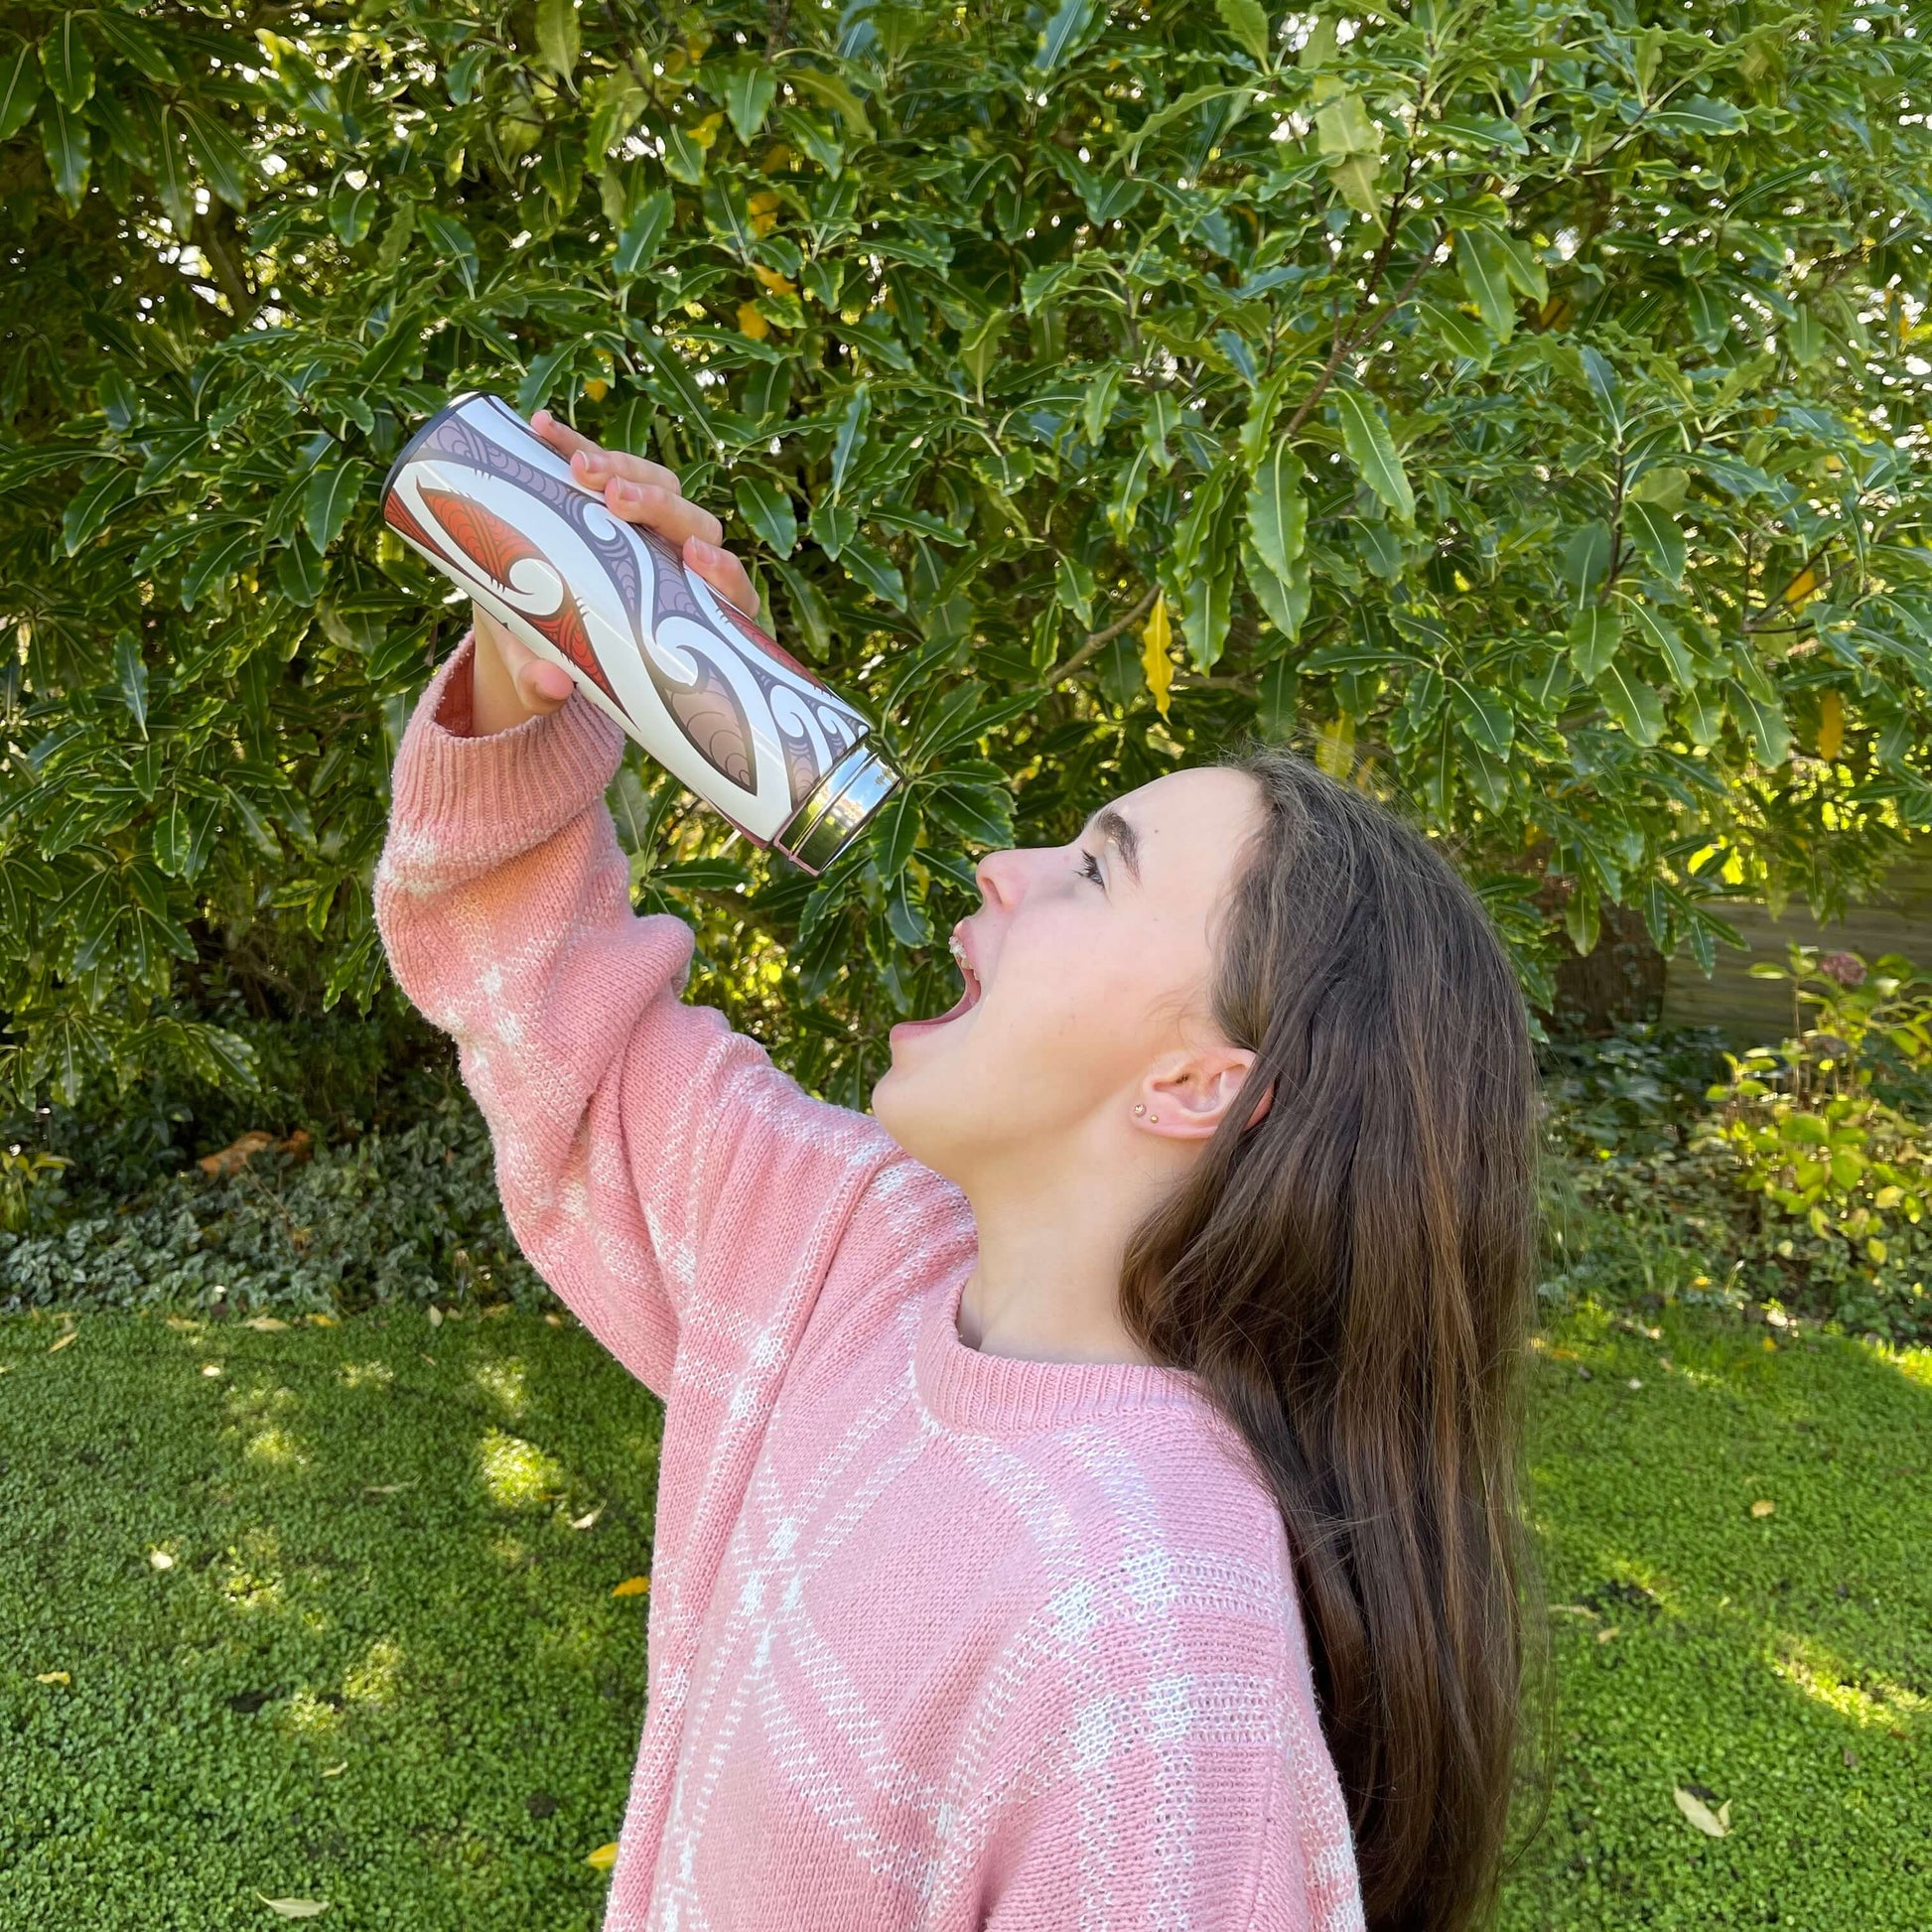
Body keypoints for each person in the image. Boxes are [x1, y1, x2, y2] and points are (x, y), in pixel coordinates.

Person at [373, 411, 1541, 1932]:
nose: (1006, 864)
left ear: (1203, 1078)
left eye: (1098, 863)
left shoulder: (1157, 1653)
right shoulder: (854, 1247)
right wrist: (547, 672)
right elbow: (545, 1007)